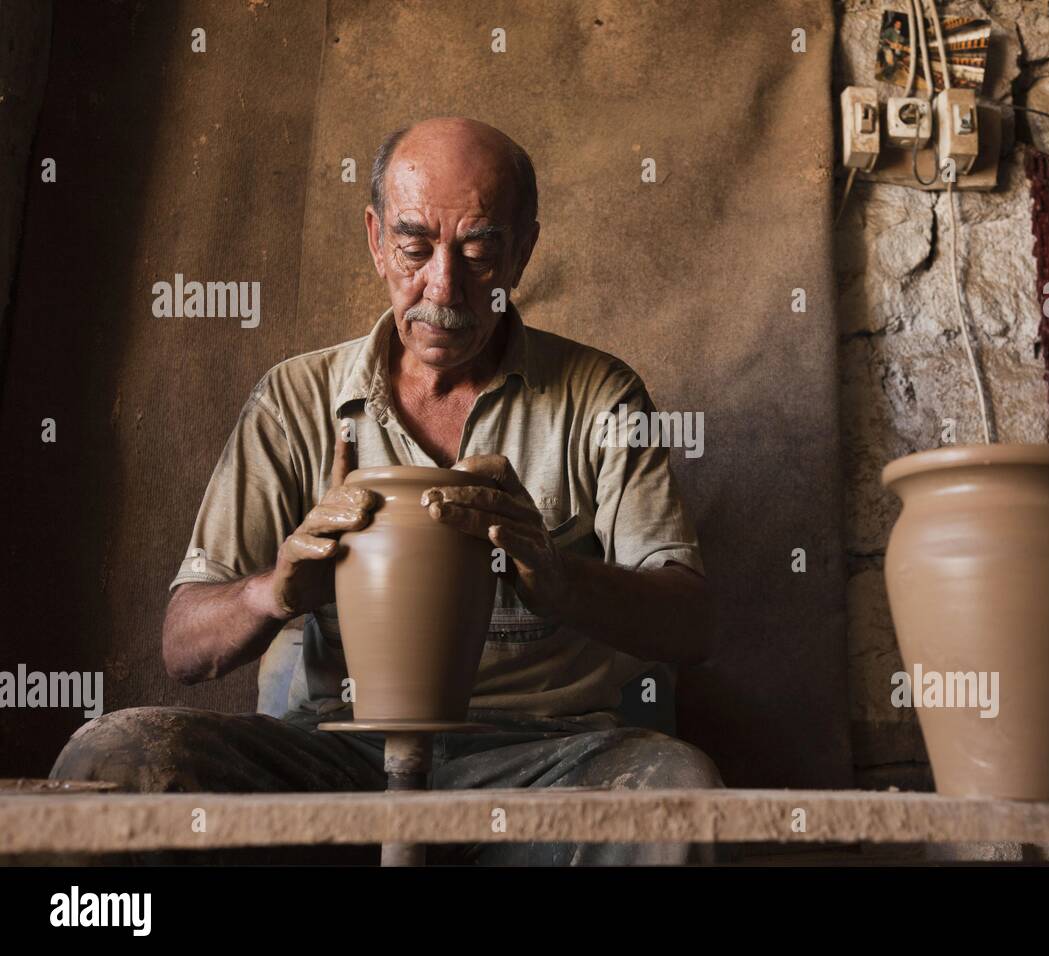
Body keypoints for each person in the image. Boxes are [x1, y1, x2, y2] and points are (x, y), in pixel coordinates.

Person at [51, 117, 723, 865]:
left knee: (678, 799)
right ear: (375, 240)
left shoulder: (600, 398)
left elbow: (690, 626)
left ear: (524, 249)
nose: (443, 286)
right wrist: (275, 590)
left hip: (543, 763)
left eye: (478, 251)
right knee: (115, 761)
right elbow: (183, 644)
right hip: (336, 761)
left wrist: (559, 579)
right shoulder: (295, 400)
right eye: (413, 248)